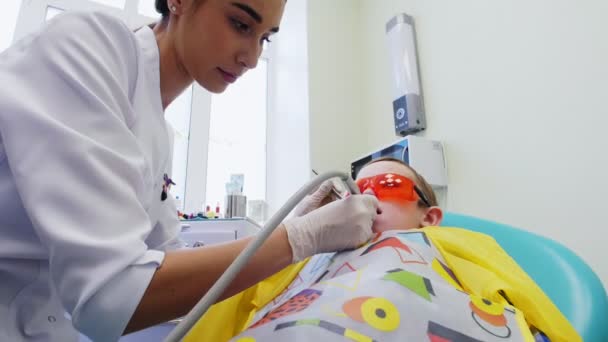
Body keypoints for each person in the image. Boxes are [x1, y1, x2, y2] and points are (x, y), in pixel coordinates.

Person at [0, 1, 379, 341]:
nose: (251, 57)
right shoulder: (90, 46)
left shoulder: (156, 135)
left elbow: (170, 274)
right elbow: (112, 297)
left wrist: (292, 230)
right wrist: (299, 238)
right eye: (241, 25)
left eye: (266, 38)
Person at [187, 157, 580, 342]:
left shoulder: (457, 247)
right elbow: (221, 313)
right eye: (357, 190)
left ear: (429, 217)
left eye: (389, 184)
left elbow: (532, 312)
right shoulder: (295, 263)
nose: (367, 196)